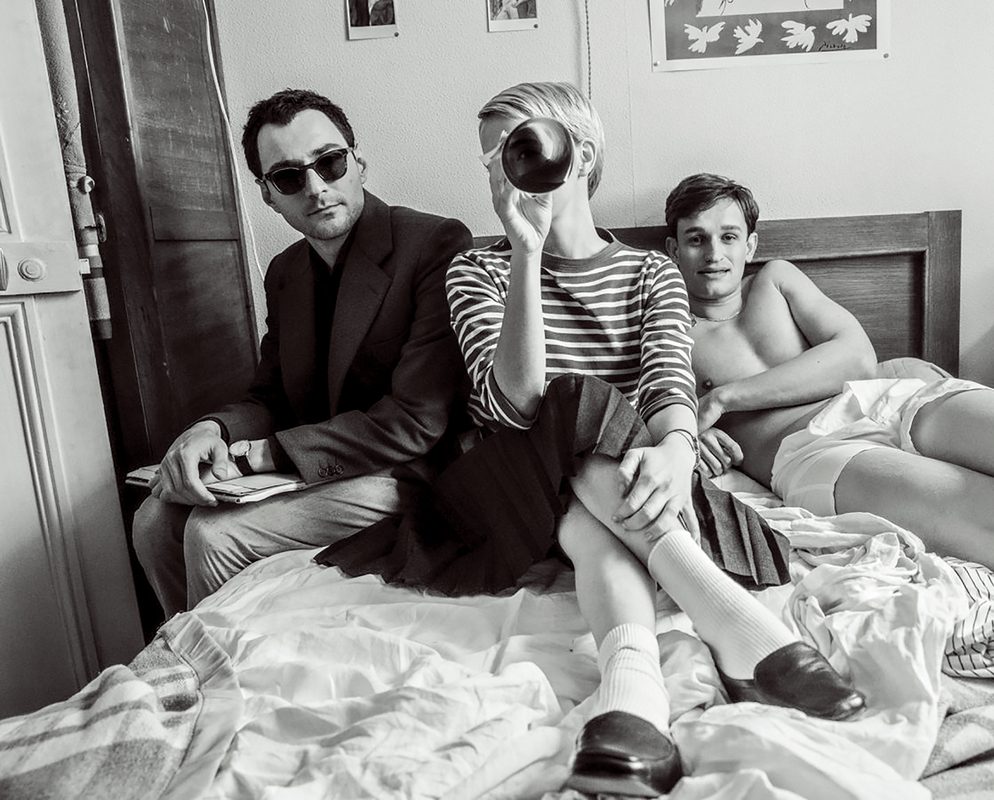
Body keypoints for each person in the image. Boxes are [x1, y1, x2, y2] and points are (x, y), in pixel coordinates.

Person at [318, 85, 863, 797]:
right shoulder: (476, 268)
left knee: (587, 514)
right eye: (492, 157)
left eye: (522, 144)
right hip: (510, 486)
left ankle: (632, 703)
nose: (508, 166)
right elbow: (514, 405)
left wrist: (677, 448)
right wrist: (525, 253)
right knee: (572, 399)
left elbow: (668, 384)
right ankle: (737, 626)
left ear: (581, 152)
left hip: (613, 492)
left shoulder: (651, 271)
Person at [664, 172, 994, 677]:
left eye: (728, 236)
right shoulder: (665, 331)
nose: (714, 253)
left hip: (886, 396)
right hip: (812, 452)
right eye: (695, 239)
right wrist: (684, 434)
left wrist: (723, 398)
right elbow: (642, 424)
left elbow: (856, 357)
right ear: (672, 250)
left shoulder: (776, 279)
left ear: (750, 245)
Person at [131, 89, 474, 618]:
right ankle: (188, 654)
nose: (315, 188)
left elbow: (416, 421)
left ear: (359, 162)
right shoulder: (286, 271)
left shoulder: (434, 243)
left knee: (214, 534)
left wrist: (258, 455)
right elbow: (270, 395)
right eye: (289, 177)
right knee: (153, 522)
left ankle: (223, 665)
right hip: (317, 469)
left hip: (410, 473)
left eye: (330, 162)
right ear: (268, 195)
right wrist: (211, 430)